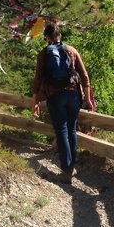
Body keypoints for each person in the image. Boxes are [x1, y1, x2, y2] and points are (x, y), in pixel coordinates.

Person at [32, 22, 93, 184]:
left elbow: (38, 80)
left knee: (62, 131)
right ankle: (71, 165)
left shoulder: (44, 53)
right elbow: (85, 77)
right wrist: (87, 99)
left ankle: (66, 171)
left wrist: (35, 102)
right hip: (74, 95)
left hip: (55, 95)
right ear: (61, 36)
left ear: (46, 38)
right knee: (72, 129)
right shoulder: (71, 50)